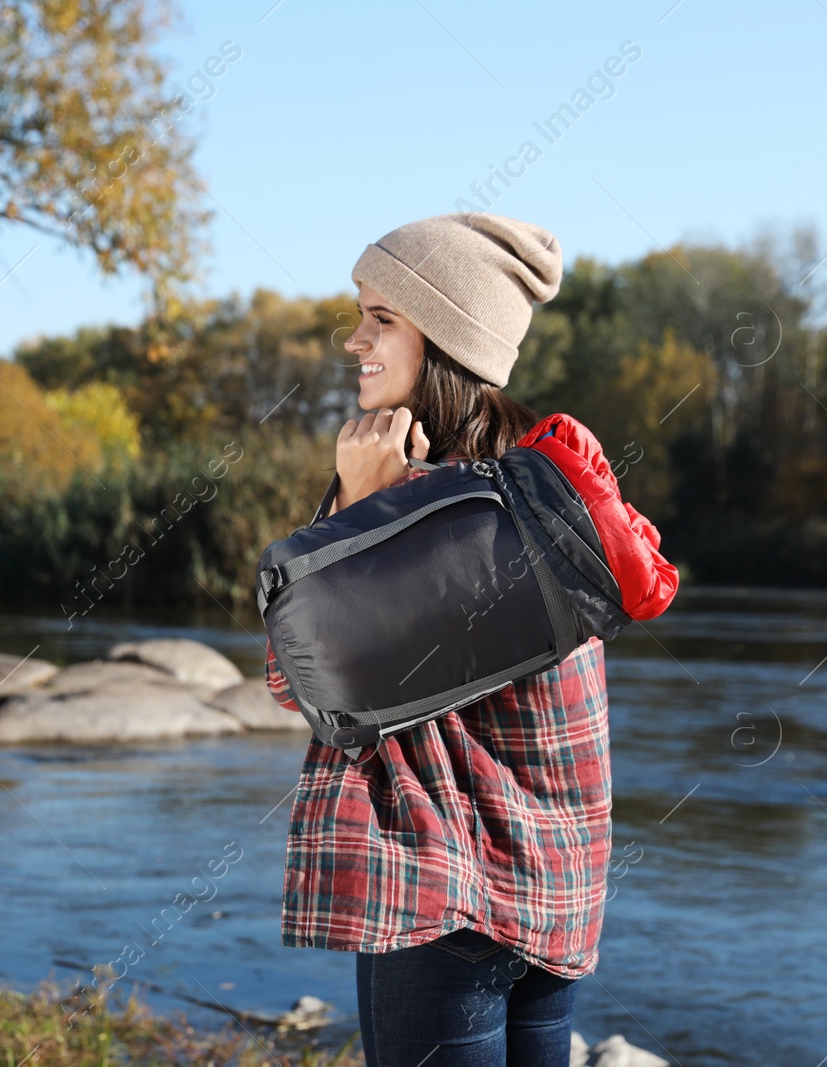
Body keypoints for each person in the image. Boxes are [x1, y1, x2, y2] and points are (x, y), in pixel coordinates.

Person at [265, 214, 610, 1067]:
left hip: (445, 894)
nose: (355, 340)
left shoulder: (436, 507)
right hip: (553, 893)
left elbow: (305, 684)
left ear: (447, 340)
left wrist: (363, 512)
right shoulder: (544, 497)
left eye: (381, 318)